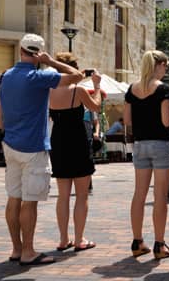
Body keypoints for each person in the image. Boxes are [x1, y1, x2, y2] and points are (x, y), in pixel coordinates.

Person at [0, 33, 83, 266]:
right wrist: (51, 62)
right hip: (33, 146)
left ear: (20, 50)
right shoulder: (39, 76)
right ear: (39, 54)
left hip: (10, 144)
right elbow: (77, 76)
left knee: (13, 198)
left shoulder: (4, 76)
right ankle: (28, 252)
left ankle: (16, 249)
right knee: (30, 201)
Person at [125, 50, 169, 260]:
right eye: (166, 66)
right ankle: (159, 244)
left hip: (140, 144)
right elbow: (166, 121)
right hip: (161, 144)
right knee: (160, 196)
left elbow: (127, 121)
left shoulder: (132, 89)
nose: (166, 70)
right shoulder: (163, 90)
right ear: (159, 65)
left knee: (139, 194)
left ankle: (137, 242)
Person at [48, 52, 101, 253]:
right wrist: (96, 86)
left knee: (63, 196)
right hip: (77, 141)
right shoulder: (77, 89)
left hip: (58, 141)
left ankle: (63, 239)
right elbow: (95, 105)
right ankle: (79, 239)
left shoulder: (49, 89)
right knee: (81, 195)